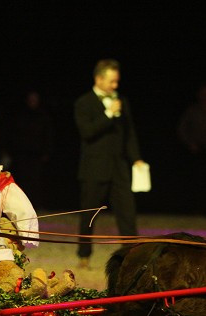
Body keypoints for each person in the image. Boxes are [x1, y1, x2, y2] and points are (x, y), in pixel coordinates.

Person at [74, 58, 144, 268]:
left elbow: (129, 133)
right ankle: (84, 254)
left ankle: (132, 255)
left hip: (119, 167)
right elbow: (87, 132)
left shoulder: (121, 100)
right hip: (94, 169)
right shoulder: (84, 103)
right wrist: (108, 114)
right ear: (99, 78)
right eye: (112, 81)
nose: (115, 86)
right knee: (89, 214)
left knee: (127, 214)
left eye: (117, 81)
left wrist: (136, 158)